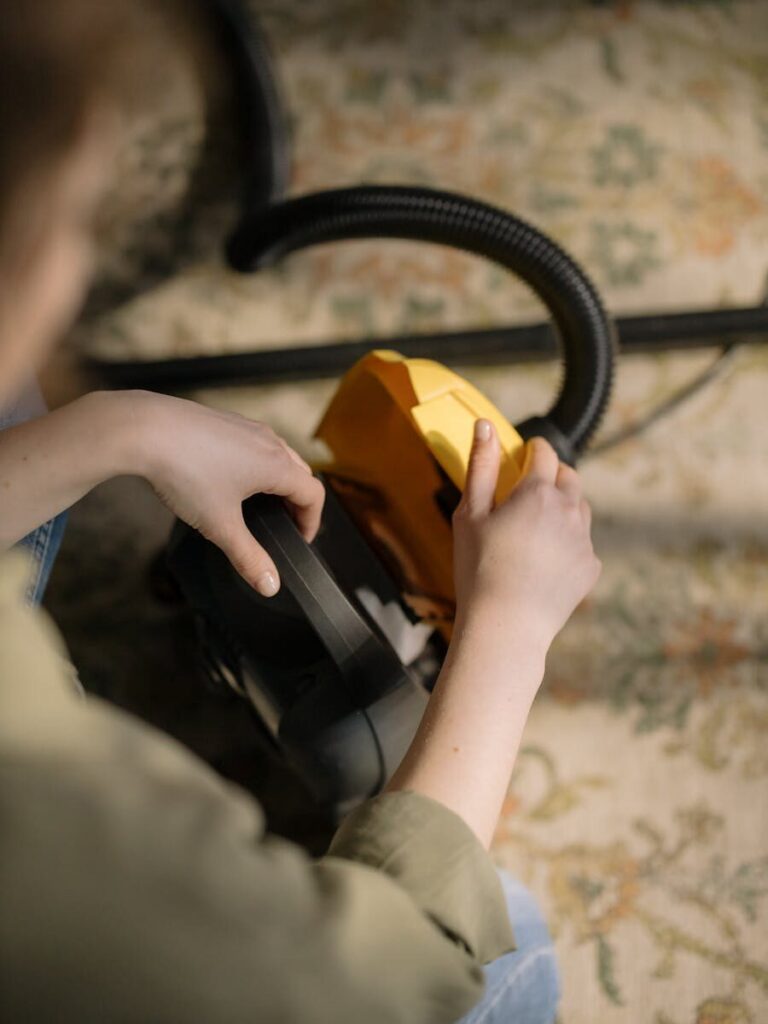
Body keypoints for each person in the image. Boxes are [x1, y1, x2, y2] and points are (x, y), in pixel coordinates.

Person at [0, 3, 601, 1021]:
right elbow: (372, 988)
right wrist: (508, 634)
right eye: (78, 219)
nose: (74, 272)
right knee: (508, 943)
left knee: (22, 410)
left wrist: (114, 431)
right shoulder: (43, 816)